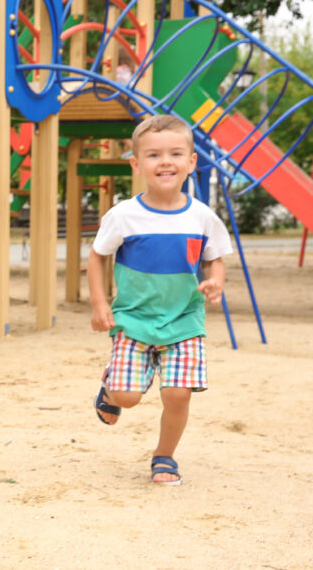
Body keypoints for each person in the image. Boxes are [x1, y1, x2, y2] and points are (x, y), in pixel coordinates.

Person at [88, 114, 232, 486]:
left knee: (177, 394)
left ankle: (164, 456)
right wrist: (99, 303)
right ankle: (110, 388)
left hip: (184, 321)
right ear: (136, 164)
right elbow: (97, 255)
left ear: (191, 162)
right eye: (153, 155)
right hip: (134, 320)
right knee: (128, 396)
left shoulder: (202, 217)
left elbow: (215, 257)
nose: (165, 161)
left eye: (175, 153)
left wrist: (215, 281)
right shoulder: (123, 216)